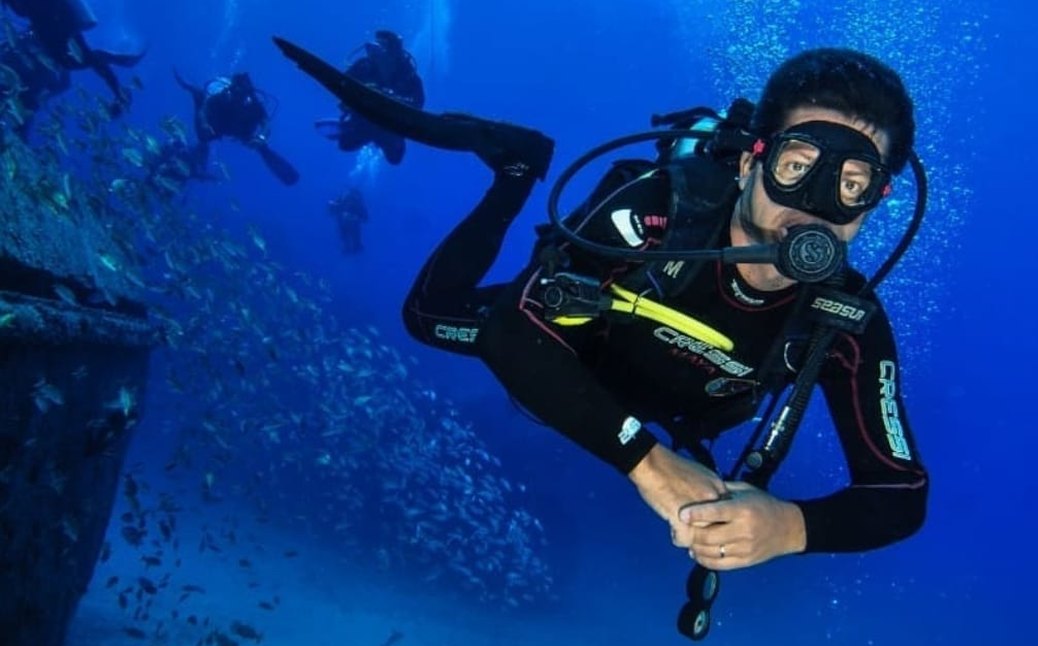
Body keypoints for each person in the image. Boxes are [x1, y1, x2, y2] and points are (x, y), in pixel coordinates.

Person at [277, 38, 927, 574]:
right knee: (426, 316)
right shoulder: (659, 212)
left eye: (850, 183)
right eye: (798, 164)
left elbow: (899, 495)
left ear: (875, 201)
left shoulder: (843, 320)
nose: (813, 204)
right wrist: (646, 463)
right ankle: (516, 168)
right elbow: (513, 332)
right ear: (749, 164)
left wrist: (791, 526)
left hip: (672, 408)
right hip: (572, 342)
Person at [1, 0, 144, 117]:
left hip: (53, 24)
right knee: (83, 57)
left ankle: (120, 71)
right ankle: (119, 83)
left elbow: (23, 10)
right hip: (62, 19)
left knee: (77, 60)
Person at [314, 29, 425, 164]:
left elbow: (418, 105)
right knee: (345, 145)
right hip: (363, 118)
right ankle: (347, 126)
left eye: (380, 46)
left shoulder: (409, 76)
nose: (372, 50)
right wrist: (349, 103)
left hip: (390, 124)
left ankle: (351, 128)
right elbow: (342, 89)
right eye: (374, 44)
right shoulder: (363, 66)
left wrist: (389, 97)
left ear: (394, 51)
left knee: (395, 159)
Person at [174, 69, 300, 186]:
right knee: (202, 135)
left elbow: (265, 123)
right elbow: (204, 110)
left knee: (261, 146)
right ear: (232, 88)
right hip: (218, 123)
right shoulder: (222, 96)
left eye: (244, 91)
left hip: (238, 128)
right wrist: (205, 124)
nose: (240, 94)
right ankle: (195, 93)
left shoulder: (253, 102)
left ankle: (283, 170)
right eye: (237, 90)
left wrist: (261, 137)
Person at [327, 187, 369, 254]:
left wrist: (333, 206)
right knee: (354, 242)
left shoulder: (343, 199)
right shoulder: (356, 202)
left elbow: (331, 211)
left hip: (345, 224)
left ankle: (349, 250)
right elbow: (365, 218)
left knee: (347, 241)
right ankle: (353, 251)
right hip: (351, 225)